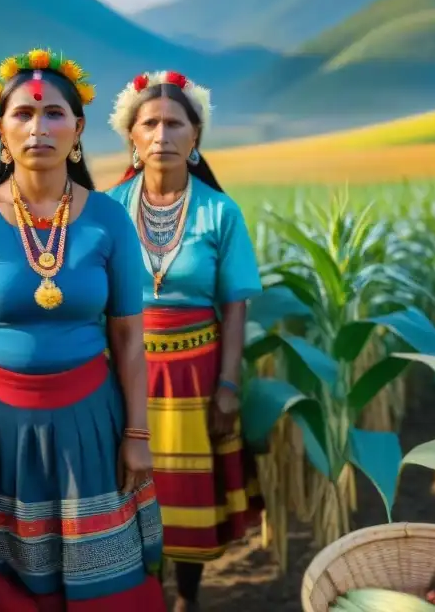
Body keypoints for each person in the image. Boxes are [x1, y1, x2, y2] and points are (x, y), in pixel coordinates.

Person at [0, 48, 166, 612]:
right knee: (4, 584)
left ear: (77, 130)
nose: (38, 127)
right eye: (23, 114)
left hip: (90, 428)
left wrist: (138, 436)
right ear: (2, 130)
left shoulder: (108, 219)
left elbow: (127, 337)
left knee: (105, 586)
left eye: (53, 115)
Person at [105, 71, 265, 612]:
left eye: (175, 123)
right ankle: (142, 592)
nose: (161, 134)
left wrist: (228, 384)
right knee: (130, 486)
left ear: (196, 137)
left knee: (186, 494)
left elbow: (235, 306)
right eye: (149, 123)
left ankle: (187, 599)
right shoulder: (106, 209)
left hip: (195, 374)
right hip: (124, 369)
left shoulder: (220, 212)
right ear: (131, 135)